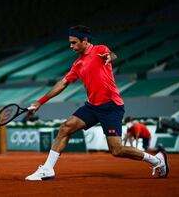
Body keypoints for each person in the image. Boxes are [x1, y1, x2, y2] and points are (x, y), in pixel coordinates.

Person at [25, 25, 169, 181]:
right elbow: (62, 83)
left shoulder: (100, 49)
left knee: (116, 150)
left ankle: (157, 160)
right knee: (65, 127)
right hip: (92, 106)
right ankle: (47, 169)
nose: (71, 46)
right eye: (70, 43)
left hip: (111, 106)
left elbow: (111, 55)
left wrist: (109, 57)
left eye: (74, 42)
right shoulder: (77, 64)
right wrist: (40, 102)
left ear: (85, 41)